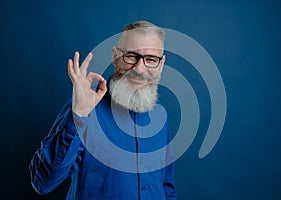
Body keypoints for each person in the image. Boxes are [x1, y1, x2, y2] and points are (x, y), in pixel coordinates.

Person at [29, 20, 177, 200]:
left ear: (161, 65)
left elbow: (166, 187)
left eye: (151, 59)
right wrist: (79, 115)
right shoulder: (85, 109)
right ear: (115, 56)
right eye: (131, 56)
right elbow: (43, 182)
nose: (139, 69)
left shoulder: (160, 114)